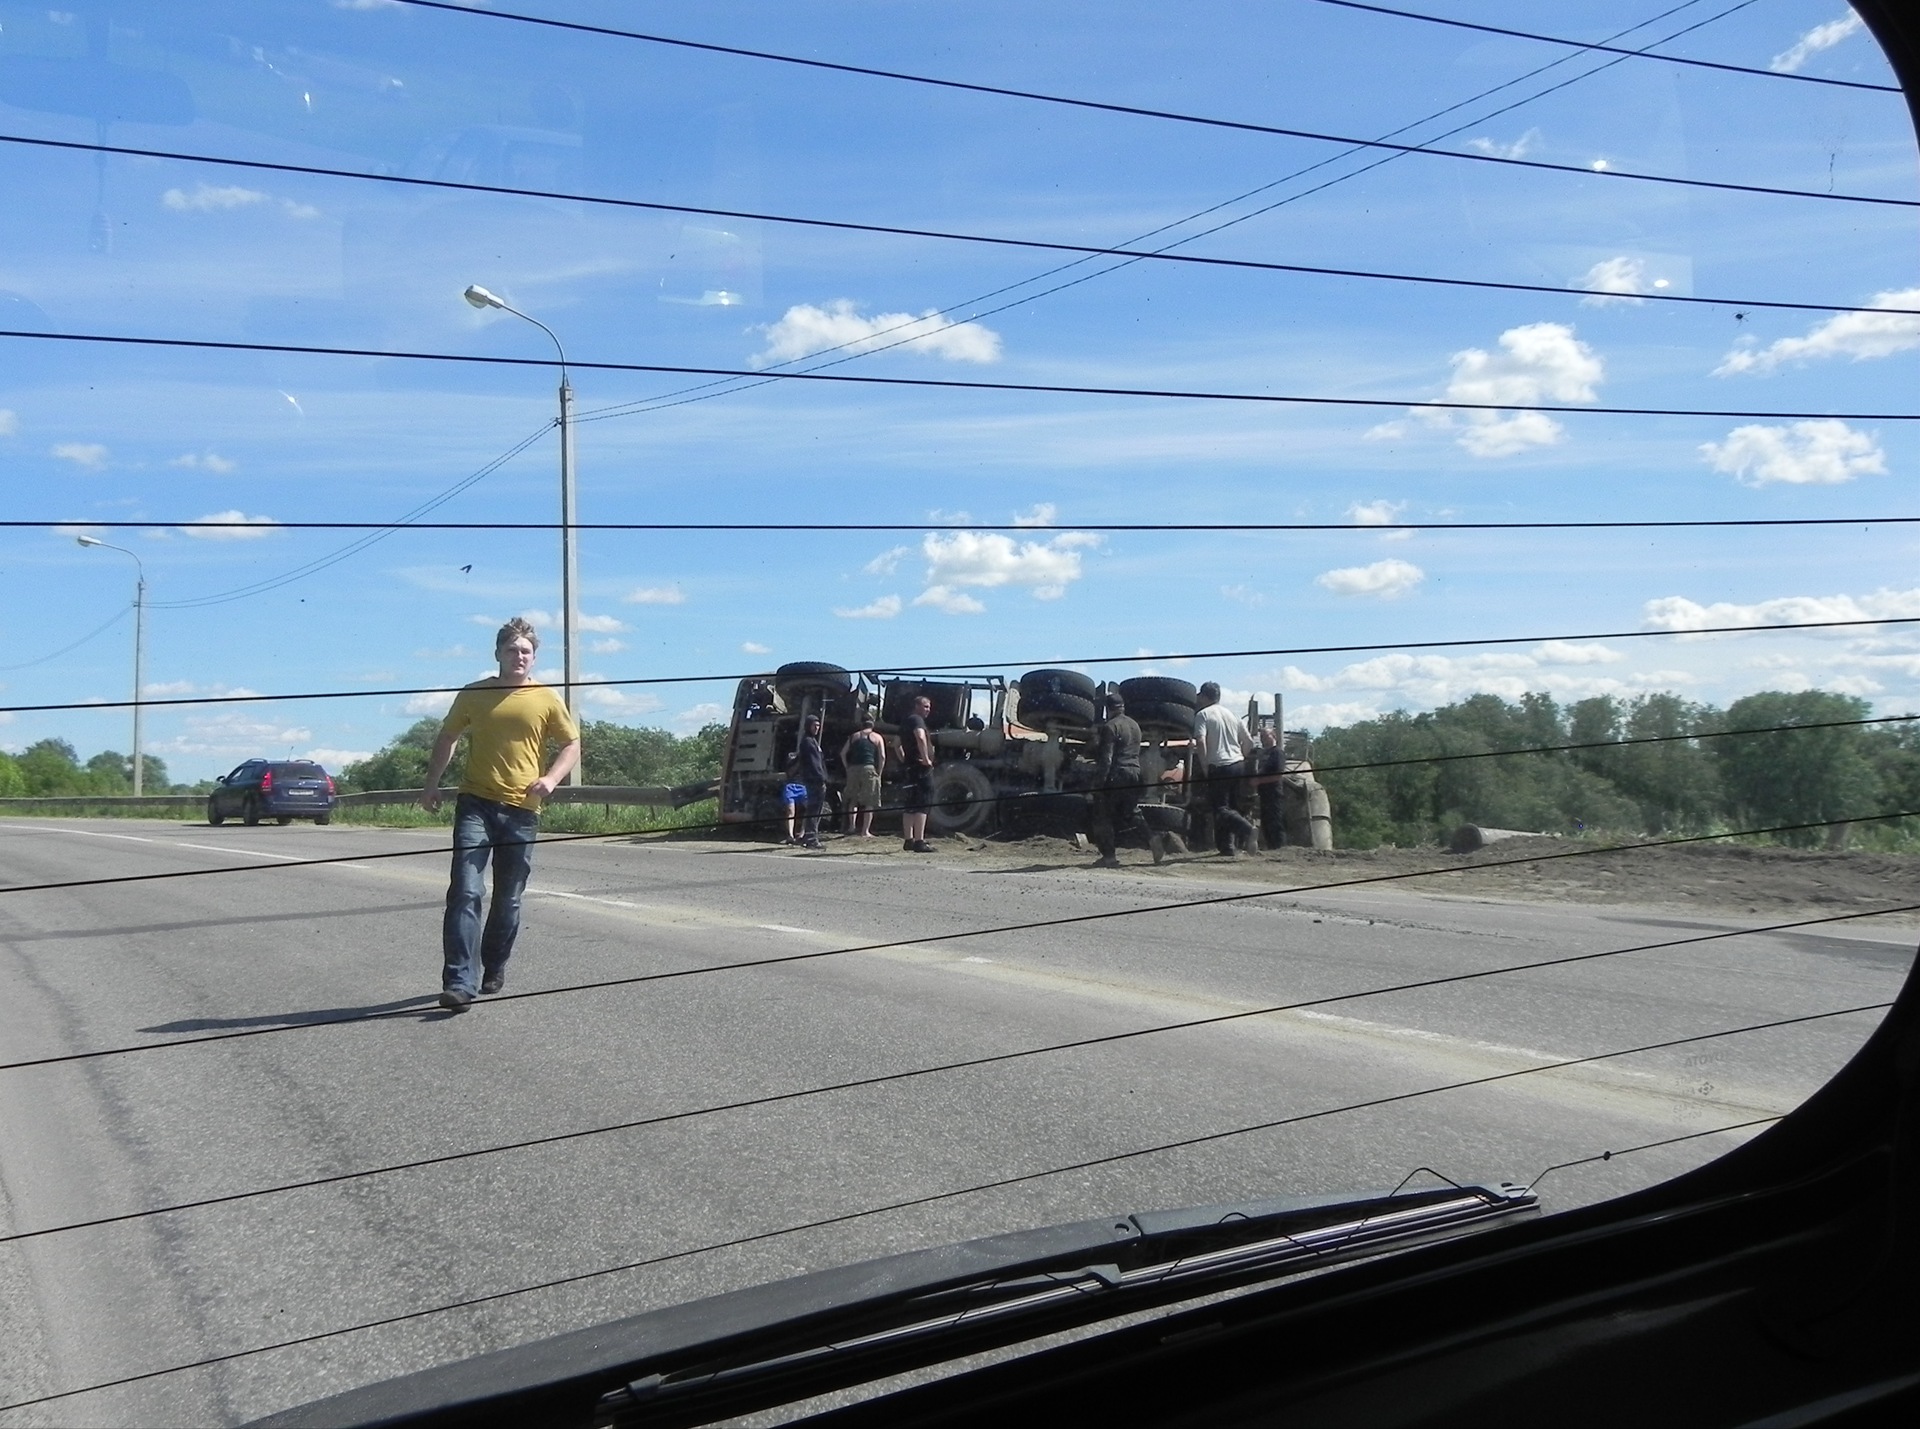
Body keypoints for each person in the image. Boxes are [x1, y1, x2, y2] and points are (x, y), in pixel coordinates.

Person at [421, 617, 581, 1012]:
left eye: (526, 651)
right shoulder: (474, 694)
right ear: (498, 654)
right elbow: (448, 737)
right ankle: (459, 981)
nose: (519, 656)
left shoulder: (545, 697)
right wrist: (431, 783)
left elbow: (571, 742)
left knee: (508, 899)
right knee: (466, 890)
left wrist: (552, 779)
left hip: (522, 810)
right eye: (512, 649)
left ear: (534, 657)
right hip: (475, 802)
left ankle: (494, 963)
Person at [1091, 691, 1164, 867]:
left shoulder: (1111, 726)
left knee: (1103, 815)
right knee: (1131, 811)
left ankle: (1109, 856)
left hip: (1118, 773)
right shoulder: (1135, 726)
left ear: (1108, 709)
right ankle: (1152, 838)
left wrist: (1099, 783)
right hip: (1135, 773)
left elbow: (1106, 759)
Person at [1191, 681, 1257, 856]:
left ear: (1204, 696)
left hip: (1219, 765)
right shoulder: (1232, 714)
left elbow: (1200, 741)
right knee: (1231, 808)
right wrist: (1240, 756)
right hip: (1238, 764)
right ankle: (1227, 847)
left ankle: (1248, 830)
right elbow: (1249, 742)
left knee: (1220, 808)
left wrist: (1204, 765)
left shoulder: (1203, 715)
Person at [898, 692, 936, 852]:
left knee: (910, 804)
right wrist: (926, 759)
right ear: (917, 706)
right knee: (923, 802)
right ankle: (920, 841)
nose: (928, 710)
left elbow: (895, 745)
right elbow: (920, 738)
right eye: (925, 706)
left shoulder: (905, 721)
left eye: (929, 707)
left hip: (909, 767)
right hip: (921, 768)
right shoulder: (917, 720)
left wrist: (904, 759)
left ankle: (908, 840)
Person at [840, 712, 886, 838]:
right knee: (869, 800)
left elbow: (843, 753)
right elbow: (882, 756)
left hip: (853, 769)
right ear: (872, 725)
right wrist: (879, 772)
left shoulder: (854, 736)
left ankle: (851, 827)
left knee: (853, 799)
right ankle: (865, 831)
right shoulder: (877, 737)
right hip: (868, 768)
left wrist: (847, 767)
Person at [789, 714, 828, 849]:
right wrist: (821, 777)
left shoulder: (813, 741)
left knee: (815, 810)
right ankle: (811, 839)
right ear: (808, 726)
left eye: (818, 726)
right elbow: (813, 763)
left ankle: (809, 836)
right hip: (814, 780)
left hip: (816, 779)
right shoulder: (807, 742)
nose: (817, 728)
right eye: (814, 725)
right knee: (814, 810)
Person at [1253, 726, 1288, 851]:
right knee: (1266, 823)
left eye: (1265, 736)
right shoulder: (1263, 754)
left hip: (1274, 793)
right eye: (1261, 737)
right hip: (1264, 794)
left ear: (1273, 736)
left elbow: (1278, 776)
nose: (1263, 739)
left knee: (1275, 823)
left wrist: (1259, 781)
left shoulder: (1277, 753)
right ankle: (1271, 848)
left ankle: (1280, 849)